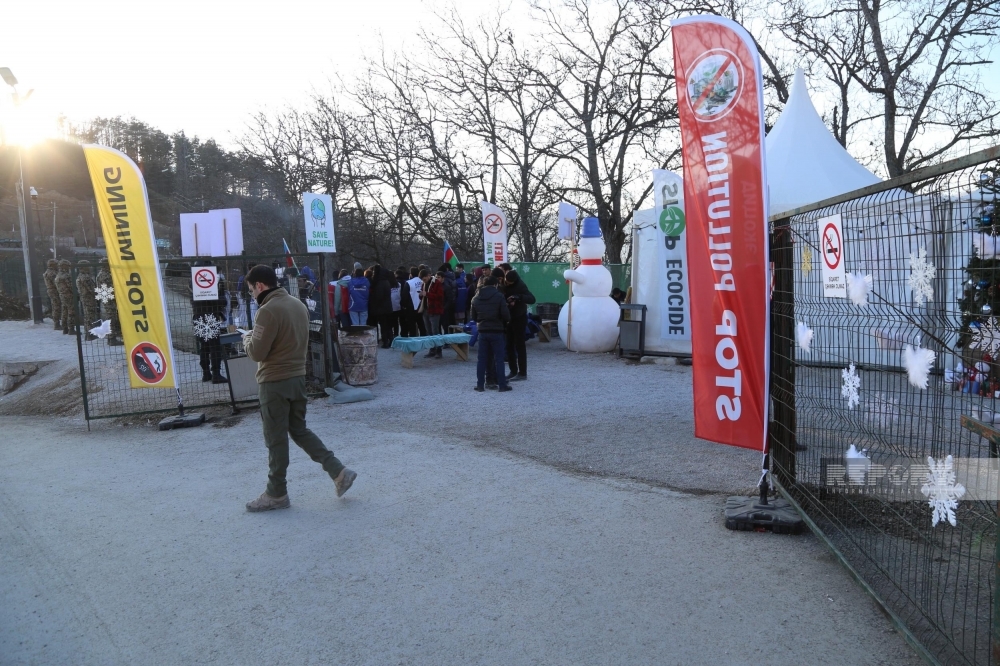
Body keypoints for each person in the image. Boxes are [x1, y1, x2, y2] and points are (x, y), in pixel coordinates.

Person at [242, 264, 356, 512]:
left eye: (251, 290)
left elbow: (257, 353)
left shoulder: (266, 311)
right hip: (297, 379)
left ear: (259, 285)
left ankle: (276, 493)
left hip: (274, 383)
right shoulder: (297, 305)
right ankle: (338, 471)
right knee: (299, 430)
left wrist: (246, 338)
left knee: (275, 439)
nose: (252, 294)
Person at [471, 275, 512, 393]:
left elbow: (473, 317)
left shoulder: (475, 298)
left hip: (482, 331)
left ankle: (480, 385)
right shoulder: (499, 296)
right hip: (497, 330)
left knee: (481, 359)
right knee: (499, 359)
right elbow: (506, 315)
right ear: (496, 284)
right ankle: (502, 385)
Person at [191, 262, 228, 384]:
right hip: (211, 317)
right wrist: (220, 300)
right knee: (215, 346)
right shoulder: (214, 281)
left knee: (204, 346)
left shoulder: (193, 282)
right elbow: (221, 301)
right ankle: (216, 373)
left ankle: (206, 373)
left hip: (198, 316)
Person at [504, 269, 535, 380]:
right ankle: (513, 370)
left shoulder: (520, 285)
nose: (507, 283)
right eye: (506, 281)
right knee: (509, 345)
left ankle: (522, 372)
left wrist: (519, 297)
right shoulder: (503, 284)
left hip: (519, 317)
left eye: (509, 282)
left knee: (519, 345)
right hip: (508, 317)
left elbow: (532, 299)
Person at [368, 265, 394, 348]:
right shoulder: (386, 281)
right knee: (388, 325)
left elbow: (379, 296)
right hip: (388, 307)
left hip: (381, 308)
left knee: (383, 326)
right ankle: (391, 339)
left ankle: (385, 341)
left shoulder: (378, 283)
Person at [422, 269, 445, 357]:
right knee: (429, 331)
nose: (423, 281)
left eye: (424, 279)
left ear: (428, 276)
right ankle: (432, 349)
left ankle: (439, 350)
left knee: (435, 331)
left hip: (434, 310)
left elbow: (440, 296)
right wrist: (421, 295)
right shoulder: (423, 284)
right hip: (426, 310)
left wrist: (427, 294)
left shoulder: (437, 283)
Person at [75, 260, 99, 341]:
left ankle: (88, 333)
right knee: (90, 316)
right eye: (88, 266)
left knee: (87, 316)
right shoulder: (85, 277)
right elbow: (92, 289)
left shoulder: (80, 276)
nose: (89, 268)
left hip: (85, 298)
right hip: (89, 298)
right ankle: (90, 334)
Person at [56, 259, 75, 335]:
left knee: (64, 311)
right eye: (67, 266)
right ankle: (71, 328)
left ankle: (65, 328)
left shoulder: (58, 275)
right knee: (71, 312)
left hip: (62, 295)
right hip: (69, 295)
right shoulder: (66, 276)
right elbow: (71, 286)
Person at [43, 258, 61, 330]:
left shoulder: (48, 272)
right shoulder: (52, 273)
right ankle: (57, 324)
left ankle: (56, 322)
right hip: (54, 290)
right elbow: (56, 283)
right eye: (56, 264)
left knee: (55, 306)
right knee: (56, 306)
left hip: (51, 290)